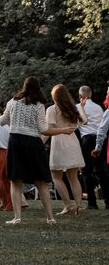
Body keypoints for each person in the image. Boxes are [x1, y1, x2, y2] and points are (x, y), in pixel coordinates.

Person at [0, 77, 77, 225]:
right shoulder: (39, 104)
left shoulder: (13, 101)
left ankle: (17, 217)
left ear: (24, 87)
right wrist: (64, 130)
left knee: (15, 181)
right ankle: (50, 217)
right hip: (33, 143)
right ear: (38, 88)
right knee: (41, 182)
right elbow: (43, 130)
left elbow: (2, 121)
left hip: (16, 142)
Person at [47, 84, 87, 215]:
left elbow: (49, 129)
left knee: (56, 177)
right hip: (72, 142)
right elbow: (84, 121)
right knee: (73, 177)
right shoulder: (73, 109)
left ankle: (68, 205)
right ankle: (79, 205)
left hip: (58, 142)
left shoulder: (52, 109)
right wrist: (81, 107)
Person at [76, 85, 109, 209]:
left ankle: (92, 203)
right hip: (100, 139)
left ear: (80, 96)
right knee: (101, 171)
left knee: (86, 172)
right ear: (90, 94)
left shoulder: (77, 107)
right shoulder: (99, 107)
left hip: (87, 139)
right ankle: (107, 201)